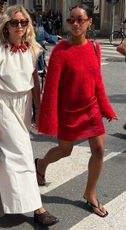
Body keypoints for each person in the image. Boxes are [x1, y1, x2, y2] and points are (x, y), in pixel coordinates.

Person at [37, 4, 117, 218]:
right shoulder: (61, 51)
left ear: (89, 22)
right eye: (71, 20)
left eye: (80, 19)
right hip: (68, 111)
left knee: (99, 150)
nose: (75, 24)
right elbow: (51, 89)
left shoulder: (94, 47)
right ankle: (41, 164)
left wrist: (106, 108)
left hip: (90, 108)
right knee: (65, 150)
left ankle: (90, 193)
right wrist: (48, 119)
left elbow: (97, 81)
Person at [0, 5, 59, 226]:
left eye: (23, 22)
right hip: (3, 104)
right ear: (6, 25)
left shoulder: (33, 49)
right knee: (23, 154)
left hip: (24, 104)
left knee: (9, 151)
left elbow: (35, 82)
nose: (19, 26)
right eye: (15, 22)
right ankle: (38, 208)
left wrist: (39, 108)